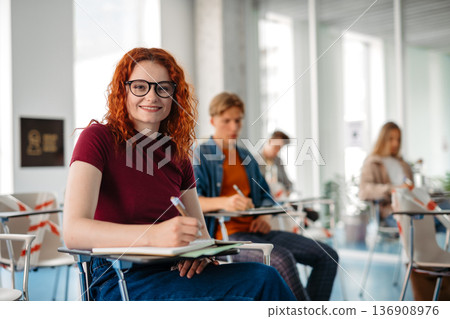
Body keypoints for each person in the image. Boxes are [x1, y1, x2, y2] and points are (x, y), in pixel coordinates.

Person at [63, 48, 296, 301]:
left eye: (163, 88)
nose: (152, 96)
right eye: (140, 86)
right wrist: (153, 236)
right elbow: (74, 232)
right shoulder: (97, 138)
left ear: (174, 95)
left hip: (177, 270)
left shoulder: (178, 154)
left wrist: (202, 254)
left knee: (265, 277)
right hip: (120, 277)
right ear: (123, 90)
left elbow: (201, 234)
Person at [193, 92, 339, 301]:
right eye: (227, 121)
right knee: (282, 260)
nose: (234, 127)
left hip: (257, 231)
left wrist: (265, 217)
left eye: (238, 120)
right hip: (227, 237)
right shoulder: (200, 155)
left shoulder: (246, 157)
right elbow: (193, 201)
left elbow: (266, 197)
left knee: (327, 256)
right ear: (212, 121)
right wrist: (225, 202)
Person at [358, 122, 413, 227]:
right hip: (391, 212)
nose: (395, 144)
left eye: (398, 139)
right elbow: (364, 191)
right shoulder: (372, 162)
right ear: (383, 140)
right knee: (417, 225)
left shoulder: (404, 164)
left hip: (412, 208)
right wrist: (393, 189)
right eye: (391, 139)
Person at [259, 131, 293, 199]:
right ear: (269, 141)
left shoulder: (278, 161)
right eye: (276, 147)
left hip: (279, 202)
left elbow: (288, 184)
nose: (277, 151)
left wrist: (287, 191)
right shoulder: (253, 161)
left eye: (280, 148)